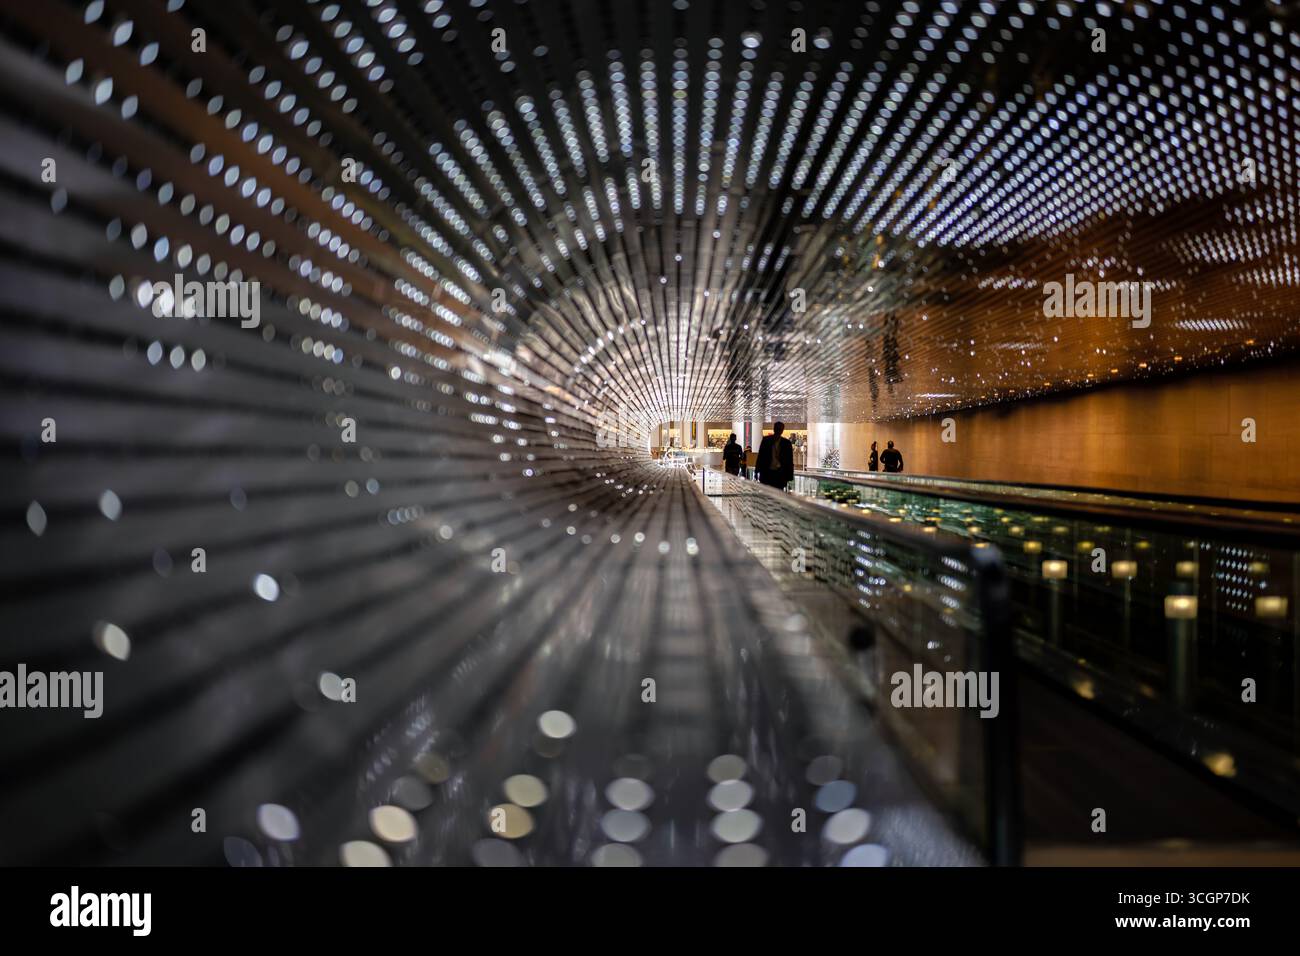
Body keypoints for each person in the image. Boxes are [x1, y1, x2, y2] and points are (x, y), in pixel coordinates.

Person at [755, 422, 795, 490]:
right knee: (767, 494)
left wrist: (789, 477)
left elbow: (789, 460)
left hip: (780, 474)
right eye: (777, 428)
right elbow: (761, 456)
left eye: (780, 429)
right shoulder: (766, 440)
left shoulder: (786, 443)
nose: (778, 430)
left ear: (782, 430)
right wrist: (757, 470)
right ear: (774, 429)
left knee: (778, 494)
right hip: (767, 473)